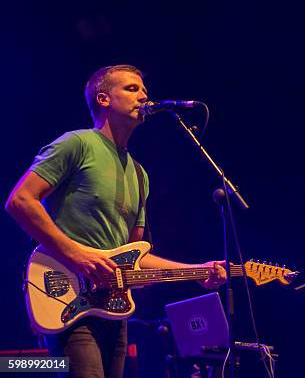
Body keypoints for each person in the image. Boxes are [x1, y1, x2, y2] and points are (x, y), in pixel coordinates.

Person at [5, 64, 227, 378]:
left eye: (145, 91)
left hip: (112, 306)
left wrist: (196, 272)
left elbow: (136, 255)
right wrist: (78, 256)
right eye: (131, 89)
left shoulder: (140, 174)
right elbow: (20, 201)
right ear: (104, 99)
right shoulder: (77, 144)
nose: (143, 97)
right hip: (64, 294)